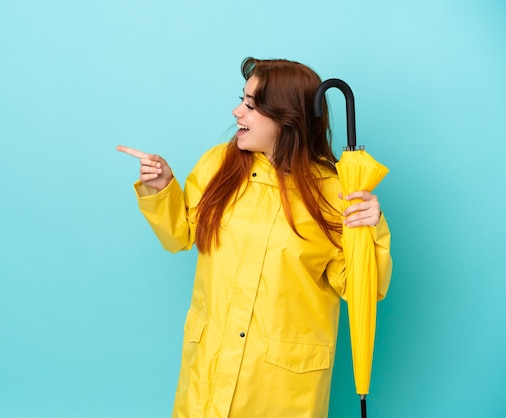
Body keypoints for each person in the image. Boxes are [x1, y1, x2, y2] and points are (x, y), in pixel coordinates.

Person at [116, 57, 392, 418]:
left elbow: (362, 290)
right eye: (241, 100)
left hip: (280, 388)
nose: (236, 112)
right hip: (209, 374)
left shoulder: (335, 192)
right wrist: (162, 188)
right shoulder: (219, 165)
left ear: (286, 117)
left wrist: (371, 228)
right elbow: (179, 235)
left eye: (250, 105)